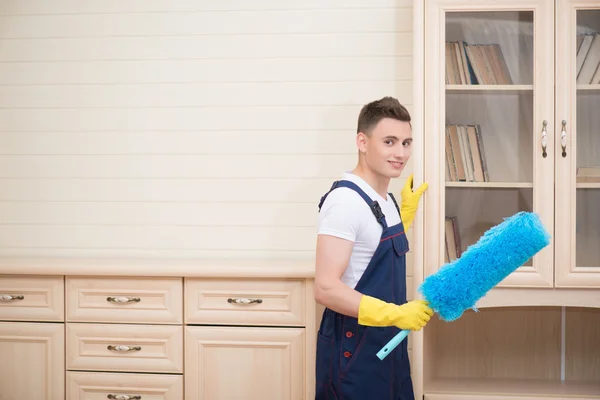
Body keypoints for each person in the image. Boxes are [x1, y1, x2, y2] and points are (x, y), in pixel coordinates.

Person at [314, 96, 433, 399]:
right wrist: (395, 315)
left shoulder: (385, 199)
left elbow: (371, 252)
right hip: (353, 352)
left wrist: (404, 216)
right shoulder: (344, 202)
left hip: (387, 346)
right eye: (389, 142)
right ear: (362, 142)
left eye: (406, 143)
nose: (400, 153)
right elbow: (325, 288)